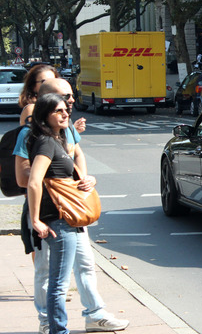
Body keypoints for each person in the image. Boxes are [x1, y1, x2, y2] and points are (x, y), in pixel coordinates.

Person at [15, 79, 128, 334]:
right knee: (52, 276)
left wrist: (86, 179)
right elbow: (28, 180)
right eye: (64, 99)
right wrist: (35, 219)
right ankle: (51, 324)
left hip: (71, 213)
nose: (71, 103)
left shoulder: (62, 133)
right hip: (53, 214)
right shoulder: (35, 136)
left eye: (70, 100)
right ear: (47, 104)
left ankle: (94, 314)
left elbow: (76, 157)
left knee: (83, 265)